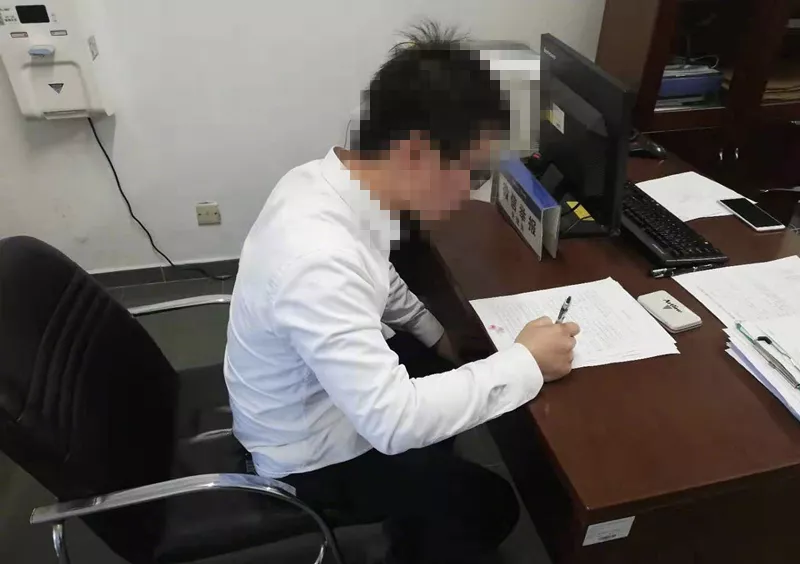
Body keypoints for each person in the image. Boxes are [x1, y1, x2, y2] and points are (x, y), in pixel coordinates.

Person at [224, 21, 580, 564]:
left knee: (446, 366)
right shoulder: (318, 258)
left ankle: (425, 495)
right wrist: (527, 363)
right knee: (489, 507)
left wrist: (438, 337)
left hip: (315, 398)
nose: (472, 191)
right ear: (416, 152)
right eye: (473, 172)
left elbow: (380, 277)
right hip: (309, 458)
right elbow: (393, 423)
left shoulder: (328, 182)